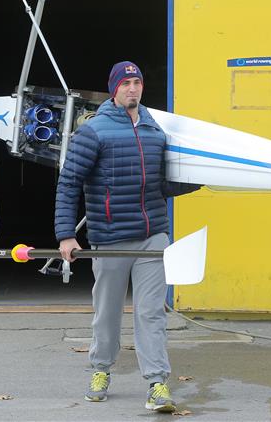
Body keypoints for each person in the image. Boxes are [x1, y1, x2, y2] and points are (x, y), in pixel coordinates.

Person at [55, 61, 201, 412]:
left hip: (153, 236)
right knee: (107, 311)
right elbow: (69, 182)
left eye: (137, 82)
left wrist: (199, 177)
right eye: (126, 83)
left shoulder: (155, 130)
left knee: (151, 313)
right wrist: (65, 235)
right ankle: (101, 370)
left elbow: (161, 184)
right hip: (110, 238)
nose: (133, 88)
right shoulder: (94, 131)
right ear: (114, 89)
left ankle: (157, 383)